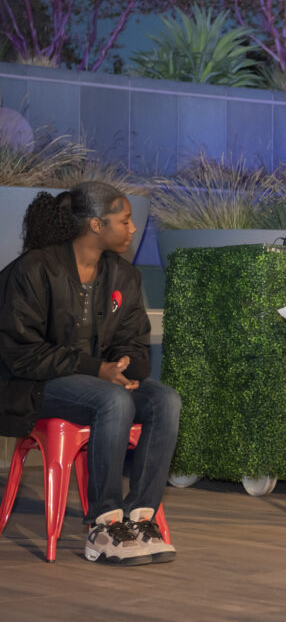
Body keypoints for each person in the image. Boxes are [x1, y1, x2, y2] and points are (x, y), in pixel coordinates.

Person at [0, 182, 180, 565]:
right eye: (125, 220)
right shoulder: (34, 269)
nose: (133, 228)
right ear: (96, 224)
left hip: (99, 382)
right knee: (112, 401)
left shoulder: (123, 276)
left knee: (164, 400)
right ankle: (104, 525)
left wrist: (126, 367)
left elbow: (134, 340)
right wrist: (98, 369)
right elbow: (23, 353)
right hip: (32, 384)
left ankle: (140, 518)